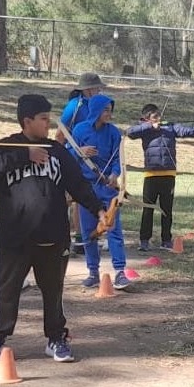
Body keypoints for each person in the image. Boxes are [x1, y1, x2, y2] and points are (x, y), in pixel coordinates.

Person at [0, 93, 107, 366]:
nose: (49, 123)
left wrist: (97, 208)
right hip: (15, 236)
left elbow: (78, 183)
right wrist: (24, 155)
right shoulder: (5, 147)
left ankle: (56, 338)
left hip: (52, 235)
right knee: (7, 289)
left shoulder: (56, 151)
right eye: (43, 119)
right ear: (27, 121)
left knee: (53, 290)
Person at [71, 93, 130, 291]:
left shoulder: (113, 132)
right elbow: (67, 152)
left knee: (114, 229)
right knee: (89, 232)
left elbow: (117, 159)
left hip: (107, 188)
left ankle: (120, 272)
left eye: (110, 110)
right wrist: (81, 152)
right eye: (105, 110)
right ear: (96, 110)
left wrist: (115, 174)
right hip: (86, 189)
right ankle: (93, 272)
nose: (109, 114)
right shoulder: (80, 130)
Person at [126, 103, 194, 251]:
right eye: (155, 117)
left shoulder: (169, 128)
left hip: (168, 175)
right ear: (146, 119)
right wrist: (149, 127)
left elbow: (188, 131)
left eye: (159, 116)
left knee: (167, 209)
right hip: (151, 175)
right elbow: (130, 132)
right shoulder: (144, 129)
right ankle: (144, 240)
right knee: (148, 209)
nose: (159, 119)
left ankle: (166, 240)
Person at [55, 72, 105, 253]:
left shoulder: (98, 107)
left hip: (92, 161)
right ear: (89, 89)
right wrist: (69, 155)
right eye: (97, 88)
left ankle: (83, 238)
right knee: (69, 198)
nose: (100, 90)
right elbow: (60, 134)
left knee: (83, 197)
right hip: (73, 157)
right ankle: (67, 238)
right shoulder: (74, 106)